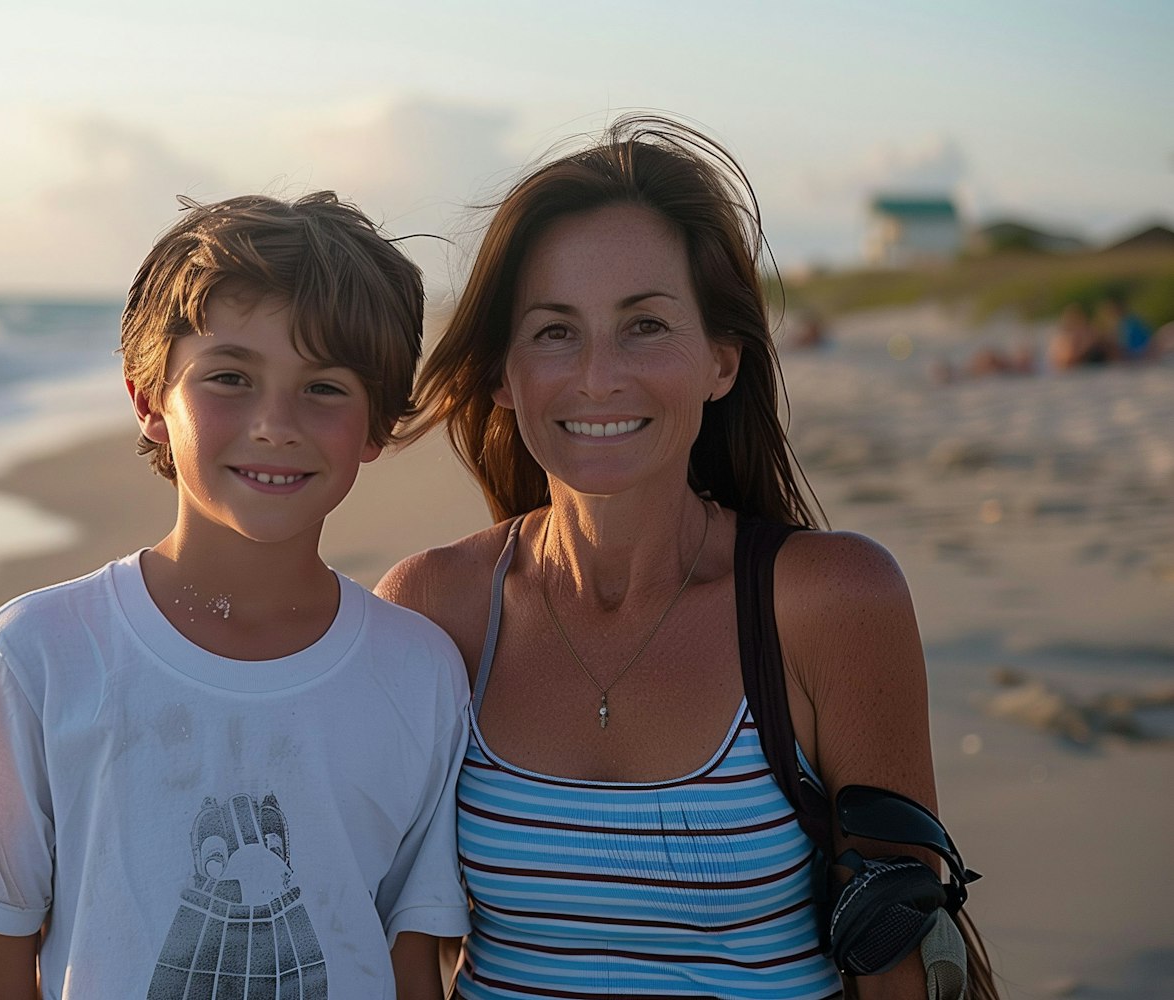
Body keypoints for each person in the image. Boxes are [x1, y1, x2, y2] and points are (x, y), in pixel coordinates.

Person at [379, 116, 995, 998]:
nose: (598, 376)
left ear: (721, 360)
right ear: (502, 377)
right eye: (555, 331)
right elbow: (393, 940)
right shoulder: (436, 611)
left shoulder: (828, 603)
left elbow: (900, 945)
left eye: (645, 325)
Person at [0, 192, 471, 999]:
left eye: (324, 388)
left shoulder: (418, 674)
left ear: (377, 425)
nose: (275, 423)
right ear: (147, 400)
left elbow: (410, 965)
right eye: (230, 378)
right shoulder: (43, 652)